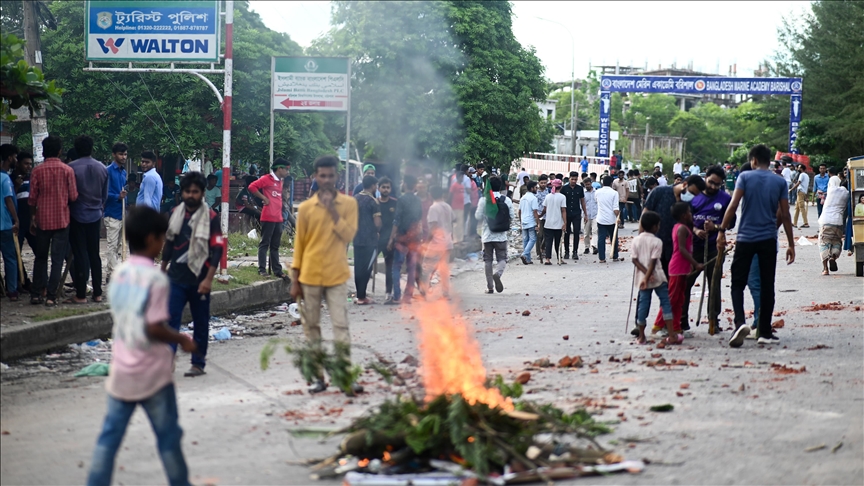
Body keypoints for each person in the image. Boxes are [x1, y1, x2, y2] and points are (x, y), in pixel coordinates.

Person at [86, 205, 194, 486]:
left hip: (123, 369)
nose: (163, 245)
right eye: (161, 238)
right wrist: (181, 339)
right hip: (154, 374)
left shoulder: (119, 273)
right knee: (169, 438)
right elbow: (153, 326)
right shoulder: (157, 279)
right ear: (150, 239)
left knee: (108, 439)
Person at [291, 155, 361, 394]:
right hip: (309, 275)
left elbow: (349, 236)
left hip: (337, 275)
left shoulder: (349, 204)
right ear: (315, 177)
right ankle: (318, 377)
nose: (327, 179)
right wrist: (294, 278)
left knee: (341, 326)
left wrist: (332, 211)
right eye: (322, 175)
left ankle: (344, 376)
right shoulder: (306, 208)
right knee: (311, 328)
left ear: (337, 177)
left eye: (331, 175)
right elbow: (299, 245)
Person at [717, 144, 795, 348]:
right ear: (769, 161)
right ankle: (764, 331)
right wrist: (791, 244)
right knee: (768, 284)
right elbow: (785, 214)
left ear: (752, 160)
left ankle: (740, 323)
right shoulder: (779, 181)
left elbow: (733, 206)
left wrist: (722, 231)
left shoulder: (745, 177)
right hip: (768, 239)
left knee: (737, 283)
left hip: (746, 238)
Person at [162, 172, 224, 377]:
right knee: (171, 321)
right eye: (187, 191)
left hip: (200, 279)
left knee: (201, 322)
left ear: (202, 193)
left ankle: (198, 363)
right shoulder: (175, 213)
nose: (191, 195)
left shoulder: (212, 218)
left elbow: (217, 249)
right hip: (176, 278)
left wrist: (209, 279)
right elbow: (169, 243)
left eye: (195, 192)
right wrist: (162, 271)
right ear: (183, 193)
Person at [682, 165, 734, 333]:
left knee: (714, 284)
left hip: (714, 248)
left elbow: (731, 223)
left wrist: (716, 227)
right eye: (710, 182)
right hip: (692, 248)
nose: (712, 187)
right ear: (705, 178)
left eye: (717, 184)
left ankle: (713, 320)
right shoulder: (692, 197)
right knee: (685, 283)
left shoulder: (725, 199)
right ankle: (682, 320)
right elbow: (683, 219)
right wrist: (696, 230)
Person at [29, 136, 78, 307]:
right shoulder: (67, 170)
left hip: (43, 220)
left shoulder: (37, 171)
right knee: (57, 259)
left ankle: (35, 294)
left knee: (40, 258)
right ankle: (51, 296)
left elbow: (32, 199)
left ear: (43, 151)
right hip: (62, 220)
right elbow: (73, 196)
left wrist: (33, 218)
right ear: (59, 151)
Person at [652, 202, 702, 344]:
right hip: (677, 267)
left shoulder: (683, 227)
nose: (691, 215)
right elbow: (681, 249)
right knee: (672, 297)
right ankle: (658, 324)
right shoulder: (681, 229)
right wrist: (695, 263)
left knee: (680, 299)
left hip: (683, 267)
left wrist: (690, 266)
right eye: (689, 212)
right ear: (683, 215)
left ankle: (676, 327)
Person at [68, 135, 108, 304]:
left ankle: (81, 294)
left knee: (80, 254)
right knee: (95, 254)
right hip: (95, 215)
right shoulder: (102, 168)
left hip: (77, 215)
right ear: (92, 148)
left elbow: (69, 195)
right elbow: (104, 196)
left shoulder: (71, 168)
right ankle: (97, 292)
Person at [642, 175, 705, 276]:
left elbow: (689, 224)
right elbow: (644, 216)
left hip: (673, 251)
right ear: (684, 184)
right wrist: (642, 240)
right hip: (653, 246)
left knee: (668, 285)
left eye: (694, 195)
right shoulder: (659, 192)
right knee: (647, 282)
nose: (692, 196)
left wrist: (696, 230)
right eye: (691, 192)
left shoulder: (688, 203)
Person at [631, 211, 673, 345]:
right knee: (666, 303)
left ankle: (642, 336)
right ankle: (671, 334)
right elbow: (654, 261)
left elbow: (635, 260)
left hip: (643, 278)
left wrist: (644, 276)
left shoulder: (636, 240)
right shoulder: (657, 241)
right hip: (657, 277)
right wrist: (650, 275)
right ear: (655, 227)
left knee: (643, 305)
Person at [248, 159, 290, 279]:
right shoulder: (266, 179)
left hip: (278, 217)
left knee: (275, 245)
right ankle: (262, 269)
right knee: (265, 243)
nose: (287, 172)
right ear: (279, 169)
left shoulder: (280, 182)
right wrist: (263, 198)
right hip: (268, 217)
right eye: (286, 169)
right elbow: (252, 187)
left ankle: (277, 270)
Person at [476, 176, 515, 291]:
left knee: (488, 260)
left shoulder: (484, 200)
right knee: (502, 258)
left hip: (487, 235)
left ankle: (490, 287)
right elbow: (512, 216)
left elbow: (477, 216)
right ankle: (498, 274)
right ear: (501, 186)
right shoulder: (506, 200)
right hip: (501, 236)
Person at [388, 175, 422, 304]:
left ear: (406, 185)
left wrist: (391, 238)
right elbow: (419, 219)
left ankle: (397, 295)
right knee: (411, 267)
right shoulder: (418, 200)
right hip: (414, 239)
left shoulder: (401, 200)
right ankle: (408, 296)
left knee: (396, 266)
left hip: (402, 238)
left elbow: (397, 219)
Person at [420, 186, 454, 298]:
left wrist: (426, 242)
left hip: (436, 244)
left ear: (431, 194)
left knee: (426, 268)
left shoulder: (433, 208)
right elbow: (453, 221)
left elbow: (433, 227)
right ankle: (446, 293)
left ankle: (423, 291)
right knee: (444, 269)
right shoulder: (448, 207)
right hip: (447, 243)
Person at [353, 175, 381, 305]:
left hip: (357, 238)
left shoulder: (354, 199)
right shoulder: (373, 201)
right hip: (370, 240)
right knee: (367, 268)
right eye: (376, 185)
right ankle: (362, 297)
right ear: (373, 186)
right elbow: (377, 223)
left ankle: (359, 295)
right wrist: (379, 230)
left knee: (358, 266)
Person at [104, 143, 128, 280]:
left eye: (125, 154)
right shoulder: (108, 171)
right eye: (121, 154)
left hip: (121, 212)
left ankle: (110, 274)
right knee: (112, 246)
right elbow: (104, 193)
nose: (123, 157)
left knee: (119, 246)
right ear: (114, 154)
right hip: (111, 213)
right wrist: (117, 196)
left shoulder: (123, 172)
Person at [818, 177, 849, 275]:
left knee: (824, 243)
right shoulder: (846, 193)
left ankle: (825, 269)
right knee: (836, 242)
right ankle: (833, 257)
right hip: (838, 222)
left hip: (825, 221)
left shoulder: (831, 191)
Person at [1, 151, 20, 300]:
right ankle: (12, 291)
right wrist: (16, 219)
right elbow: (8, 200)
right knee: (10, 258)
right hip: (5, 224)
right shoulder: (4, 178)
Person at [560, 172, 587, 259]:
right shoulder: (564, 189)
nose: (574, 181)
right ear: (569, 179)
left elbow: (582, 201)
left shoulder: (580, 189)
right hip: (566, 213)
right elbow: (561, 202)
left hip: (576, 213)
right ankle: (566, 251)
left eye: (575, 179)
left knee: (576, 232)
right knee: (567, 233)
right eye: (572, 179)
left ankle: (575, 252)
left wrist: (585, 214)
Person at [595, 176, 622, 263]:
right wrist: (618, 217)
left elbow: (596, 202)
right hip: (611, 219)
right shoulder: (614, 193)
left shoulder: (597, 192)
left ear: (602, 182)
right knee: (613, 237)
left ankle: (602, 258)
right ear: (611, 183)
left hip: (601, 218)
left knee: (601, 238)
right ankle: (615, 256)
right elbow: (615, 208)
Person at [541, 178, 566, 265]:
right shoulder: (562, 197)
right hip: (558, 223)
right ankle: (559, 258)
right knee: (558, 242)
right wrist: (565, 222)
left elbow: (545, 209)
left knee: (548, 242)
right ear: (561, 187)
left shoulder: (548, 196)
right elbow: (563, 210)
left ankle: (548, 259)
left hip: (548, 223)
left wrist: (540, 215)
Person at [518, 180, 539, 264]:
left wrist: (521, 221)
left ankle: (528, 259)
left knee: (525, 240)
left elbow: (519, 211)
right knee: (533, 239)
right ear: (532, 188)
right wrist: (538, 223)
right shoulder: (533, 198)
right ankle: (525, 254)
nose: (536, 188)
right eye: (535, 187)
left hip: (524, 221)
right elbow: (535, 212)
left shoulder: (523, 198)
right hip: (531, 221)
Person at [534, 175, 549, 261]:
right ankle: (538, 253)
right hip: (539, 216)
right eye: (541, 183)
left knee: (546, 235)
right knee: (539, 235)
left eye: (545, 182)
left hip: (547, 216)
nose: (543, 184)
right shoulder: (536, 193)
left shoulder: (549, 191)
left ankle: (543, 249)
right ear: (538, 183)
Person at [791, 164, 810, 228]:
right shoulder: (806, 176)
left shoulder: (802, 175)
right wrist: (807, 196)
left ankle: (806, 223)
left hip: (801, 192)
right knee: (797, 208)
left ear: (802, 169)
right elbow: (806, 186)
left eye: (799, 168)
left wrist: (791, 189)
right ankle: (795, 223)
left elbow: (799, 183)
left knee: (801, 208)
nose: (797, 169)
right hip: (803, 192)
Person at [448, 170, 465, 243]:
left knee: (460, 223)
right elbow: (450, 195)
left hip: (461, 207)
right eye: (462, 177)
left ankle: (460, 239)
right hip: (455, 206)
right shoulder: (454, 185)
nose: (463, 178)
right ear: (459, 177)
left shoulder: (461, 186)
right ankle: (455, 239)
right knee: (455, 224)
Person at [582, 177, 598, 255]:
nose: (587, 186)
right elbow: (581, 204)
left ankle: (594, 246)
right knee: (586, 232)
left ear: (591, 183)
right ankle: (586, 247)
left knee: (595, 231)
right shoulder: (583, 193)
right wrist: (584, 215)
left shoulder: (596, 192)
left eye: (588, 184)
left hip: (595, 215)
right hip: (586, 215)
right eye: (586, 185)